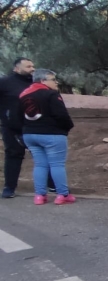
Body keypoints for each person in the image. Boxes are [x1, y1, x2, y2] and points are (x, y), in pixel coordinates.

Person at [16, 69, 75, 205]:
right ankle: (63, 194)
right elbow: (61, 115)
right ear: (43, 81)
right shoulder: (51, 95)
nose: (56, 82)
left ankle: (39, 195)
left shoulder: (24, 95)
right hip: (52, 134)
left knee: (40, 165)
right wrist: (66, 128)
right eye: (53, 79)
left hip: (30, 134)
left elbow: (18, 116)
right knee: (57, 164)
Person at [0, 57, 34, 198]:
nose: (32, 69)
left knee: (43, 157)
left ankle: (52, 186)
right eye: (28, 66)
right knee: (13, 156)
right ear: (16, 68)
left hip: (35, 128)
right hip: (11, 128)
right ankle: (9, 188)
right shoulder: (5, 83)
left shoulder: (36, 83)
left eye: (33, 66)